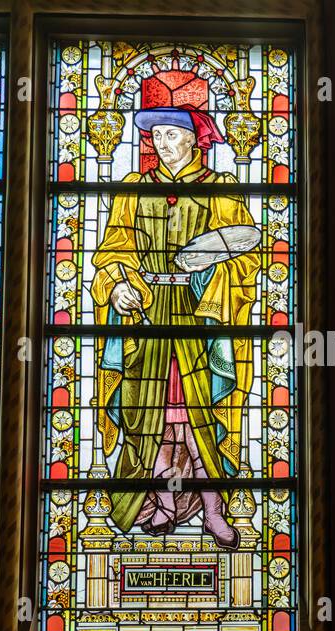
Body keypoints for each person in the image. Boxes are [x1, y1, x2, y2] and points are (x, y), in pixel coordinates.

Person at [90, 105, 260, 550]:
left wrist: (209, 274)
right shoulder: (133, 189)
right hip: (146, 313)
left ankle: (212, 511)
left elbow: (245, 255)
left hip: (196, 312)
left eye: (172, 135)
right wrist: (118, 287)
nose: (162, 143)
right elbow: (112, 250)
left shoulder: (219, 189)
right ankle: (162, 503)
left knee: (197, 417)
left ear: (194, 140)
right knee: (150, 417)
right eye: (157, 135)